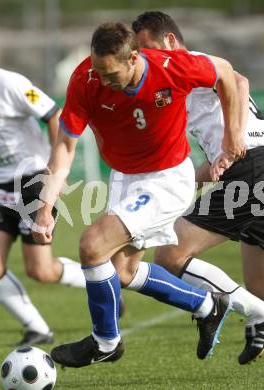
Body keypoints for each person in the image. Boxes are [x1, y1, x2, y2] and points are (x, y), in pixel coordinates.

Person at [33, 21, 246, 368]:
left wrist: (232, 135)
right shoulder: (86, 78)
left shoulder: (171, 68)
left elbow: (225, 72)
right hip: (125, 178)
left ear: (134, 57)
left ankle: (106, 342)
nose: (102, 81)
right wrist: (46, 207)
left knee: (92, 244)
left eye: (110, 73)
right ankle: (208, 306)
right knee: (123, 273)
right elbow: (65, 146)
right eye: (97, 71)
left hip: (166, 180)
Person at [131, 10, 264, 364]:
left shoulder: (190, 63)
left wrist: (232, 139)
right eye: (140, 53)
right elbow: (217, 162)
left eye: (149, 48)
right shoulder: (175, 81)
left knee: (169, 255)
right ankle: (259, 318)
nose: (147, 58)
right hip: (251, 167)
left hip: (251, 167)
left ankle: (247, 313)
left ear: (171, 41)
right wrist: (182, 178)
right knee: (258, 286)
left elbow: (238, 80)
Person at [0, 23, 87, 346]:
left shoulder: (10, 84)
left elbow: (55, 115)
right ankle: (38, 328)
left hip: (33, 181)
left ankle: (100, 280)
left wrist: (57, 169)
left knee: (41, 270)